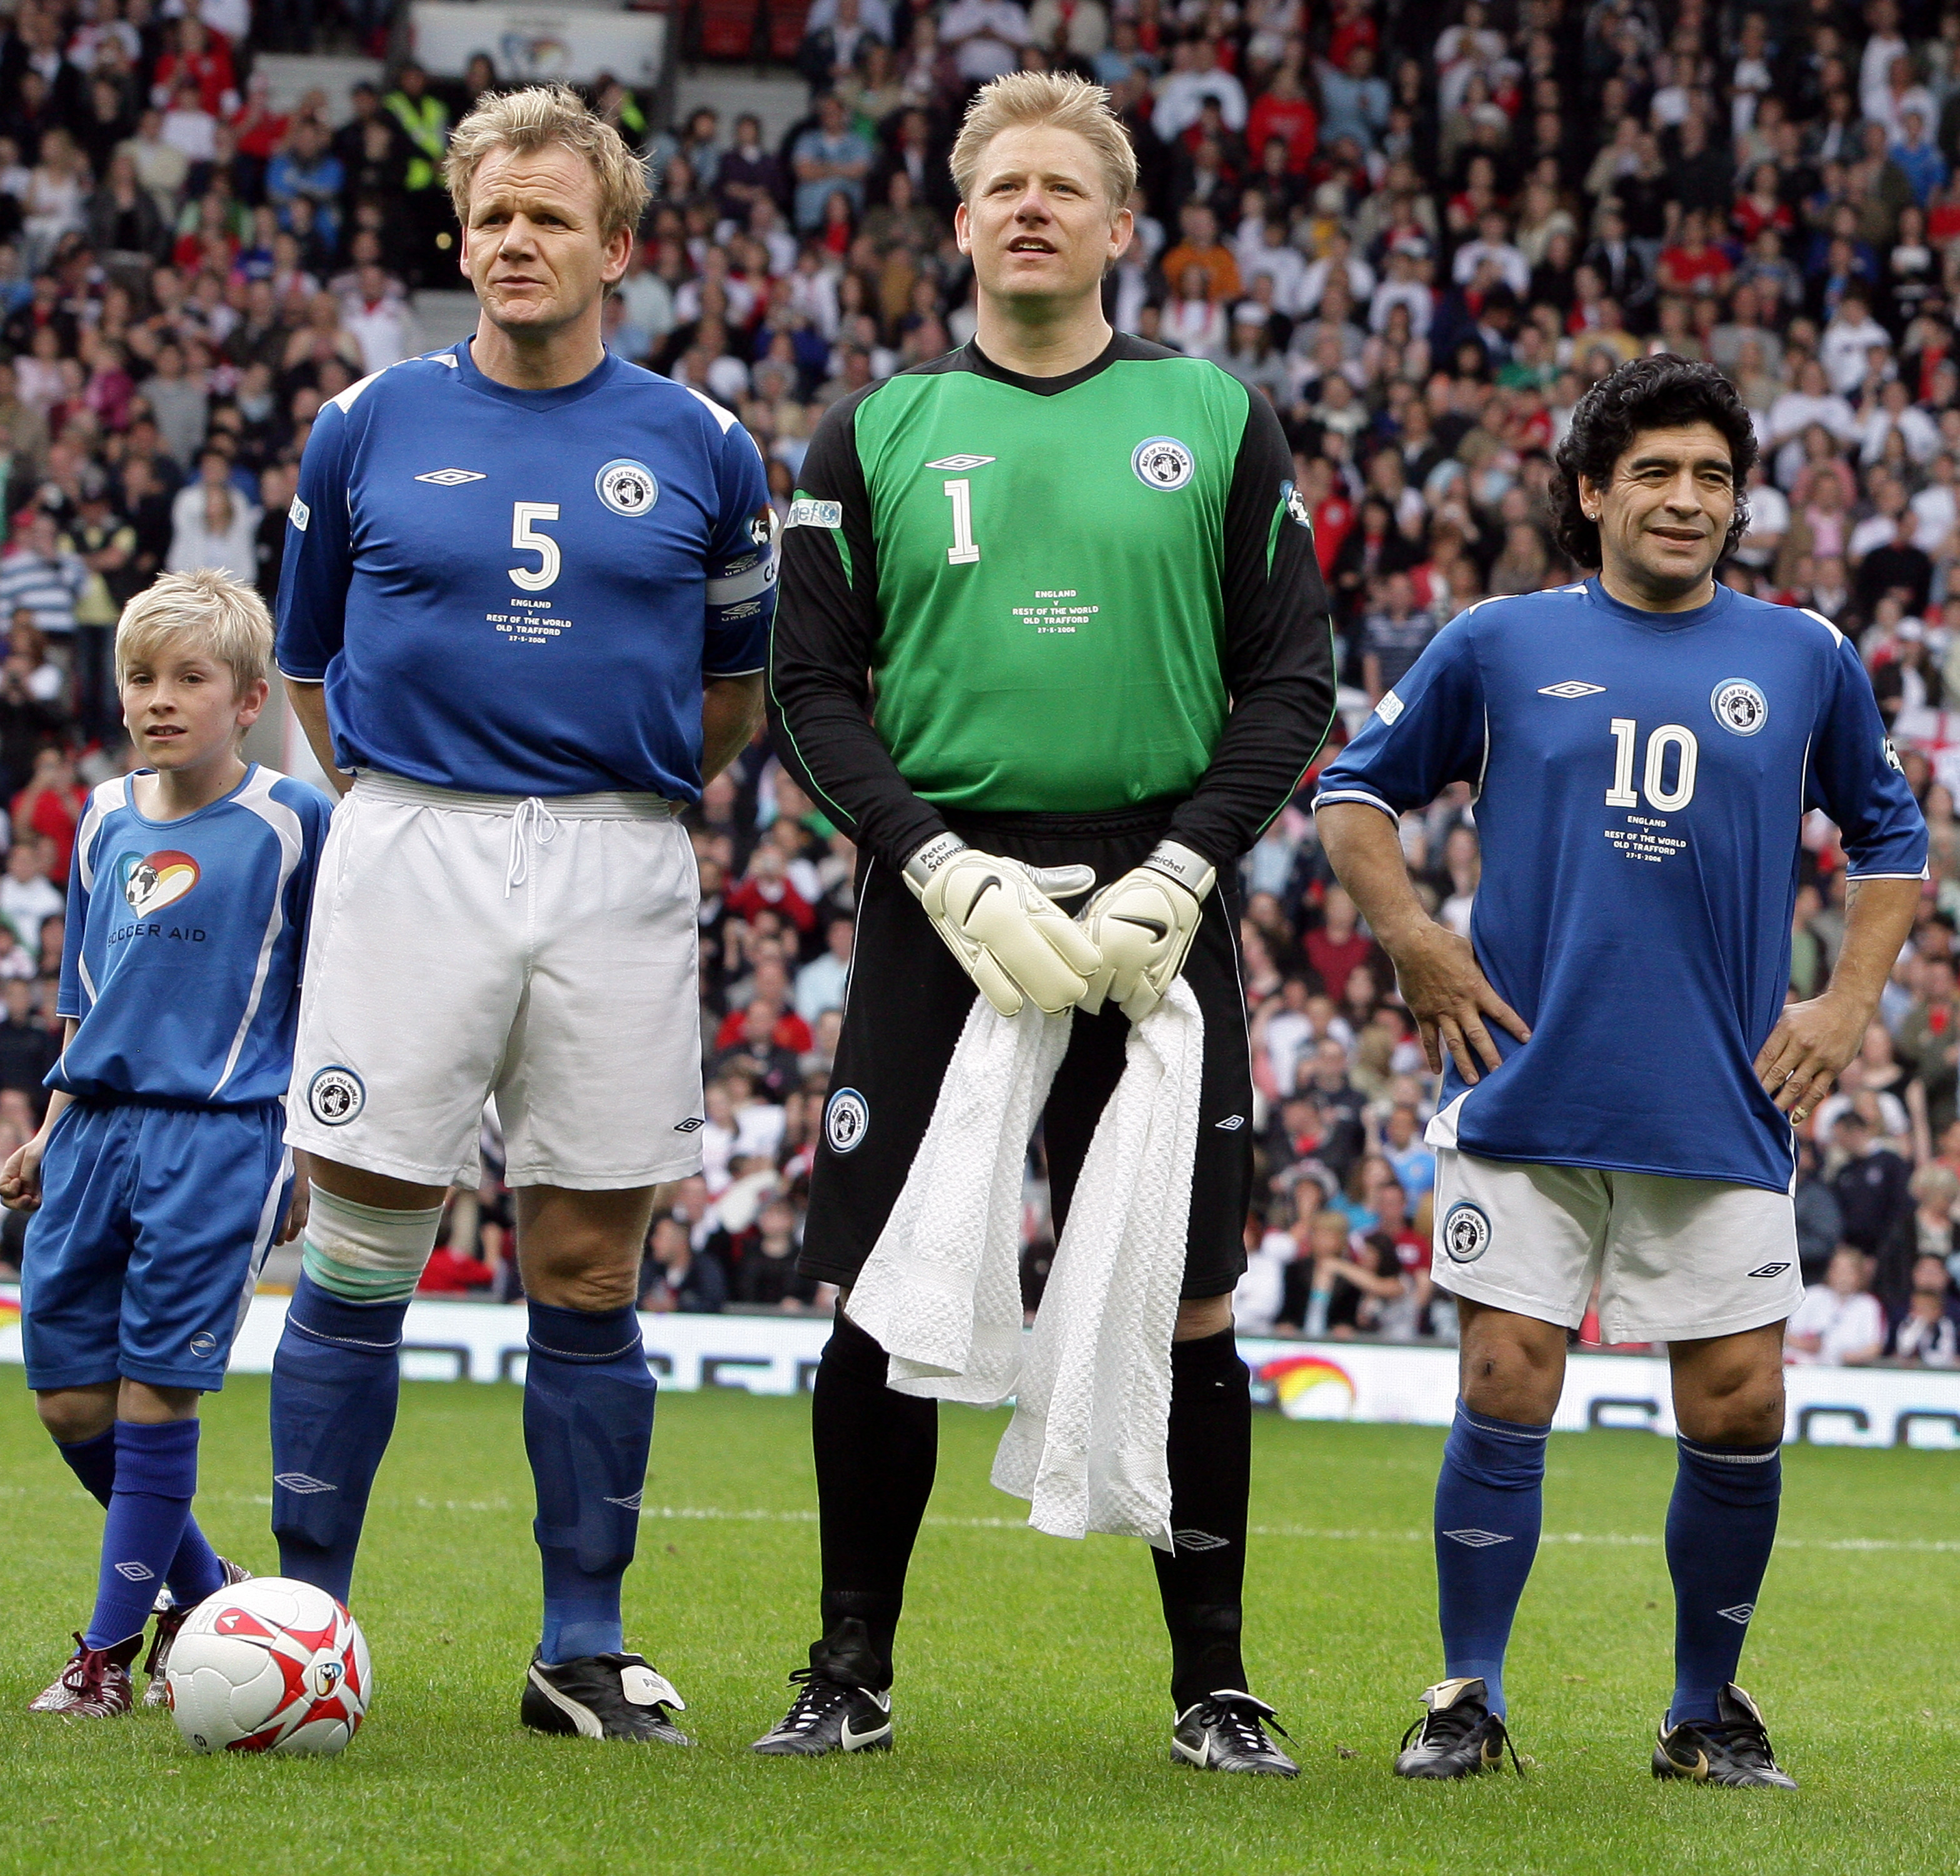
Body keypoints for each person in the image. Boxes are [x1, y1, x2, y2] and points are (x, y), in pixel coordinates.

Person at [763, 72, 1334, 1772]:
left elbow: (1288, 678)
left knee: (1191, 1291)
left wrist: (1186, 865)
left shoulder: (1213, 416)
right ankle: (845, 1670)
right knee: (879, 1286)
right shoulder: (872, 428)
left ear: (1116, 225)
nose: (1028, 208)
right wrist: (933, 863)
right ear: (958, 223)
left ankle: (1212, 1683)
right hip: (941, 898)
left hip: (1154, 904)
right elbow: (807, 685)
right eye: (999, 186)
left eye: (1060, 187)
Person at [1315, 355, 1926, 1787]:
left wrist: (1845, 1003)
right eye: (1652, 471)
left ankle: (1701, 1710)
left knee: (1738, 1402)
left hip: (1719, 1092)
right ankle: (1465, 1695)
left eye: (1711, 475)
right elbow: (1352, 793)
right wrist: (1415, 940)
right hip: (1523, 1081)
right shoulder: (1497, 639)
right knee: (1502, 1374)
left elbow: (1889, 838)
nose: (1683, 497)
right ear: (1590, 493)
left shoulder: (1801, 654)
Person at [269, 85, 775, 1746]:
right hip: (412, 843)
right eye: (491, 215)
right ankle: (307, 1629)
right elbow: (307, 666)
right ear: (461, 235)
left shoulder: (703, 445)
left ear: (614, 246)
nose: (513, 241)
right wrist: (417, 806)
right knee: (361, 1238)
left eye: (549, 215)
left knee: (583, 1259)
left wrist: (596, 790)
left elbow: (731, 690)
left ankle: (580, 1647)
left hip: (616, 859)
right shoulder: (362, 425)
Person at [3, 570, 331, 1718]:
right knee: (68, 1403)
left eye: (191, 679)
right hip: (92, 1130)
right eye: (142, 677)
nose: (160, 699)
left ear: (248, 701)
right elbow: (83, 992)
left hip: (219, 1139)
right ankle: (203, 1588)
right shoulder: (102, 816)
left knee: (155, 1396)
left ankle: (103, 1658)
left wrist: (302, 1151)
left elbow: (328, 997)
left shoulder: (297, 823)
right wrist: (49, 1130)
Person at [1786, 1244, 1887, 1364]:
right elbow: (1787, 1334)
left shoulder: (1868, 1305)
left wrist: (1849, 1358)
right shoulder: (1812, 1295)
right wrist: (1805, 1345)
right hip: (1804, 1365)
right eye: (1838, 1271)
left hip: (1848, 1368)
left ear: (1860, 1275)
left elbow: (1875, 1347)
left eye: (1848, 1272)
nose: (1843, 1278)